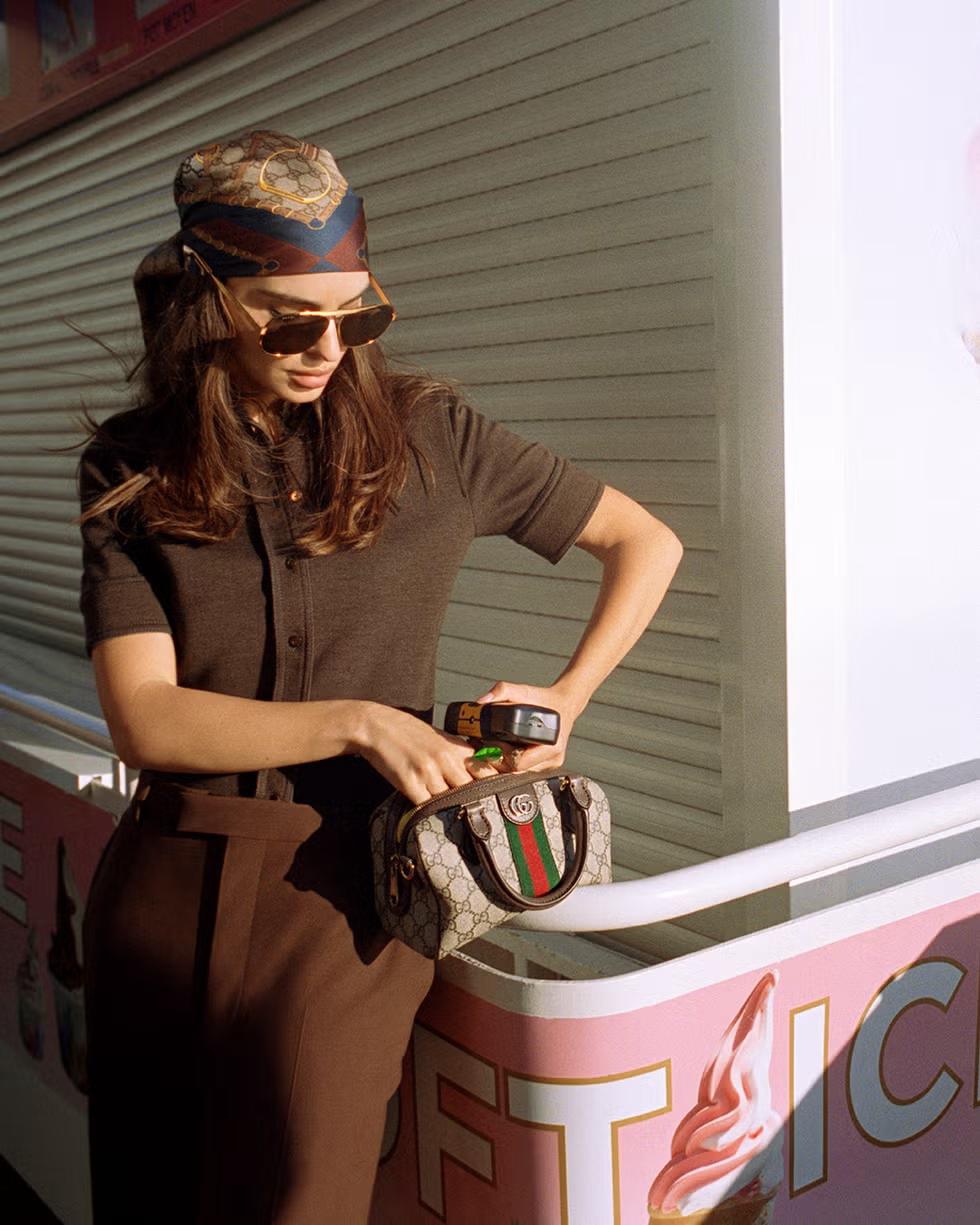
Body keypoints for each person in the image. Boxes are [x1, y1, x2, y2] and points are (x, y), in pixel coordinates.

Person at [73, 129, 683, 1225]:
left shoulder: (434, 436)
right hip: (162, 885)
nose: (327, 346)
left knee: (304, 1201)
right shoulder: (131, 461)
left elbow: (644, 542)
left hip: (349, 896)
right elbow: (146, 719)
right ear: (206, 299)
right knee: (145, 1195)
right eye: (288, 319)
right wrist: (357, 720)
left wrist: (568, 696)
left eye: (357, 316)